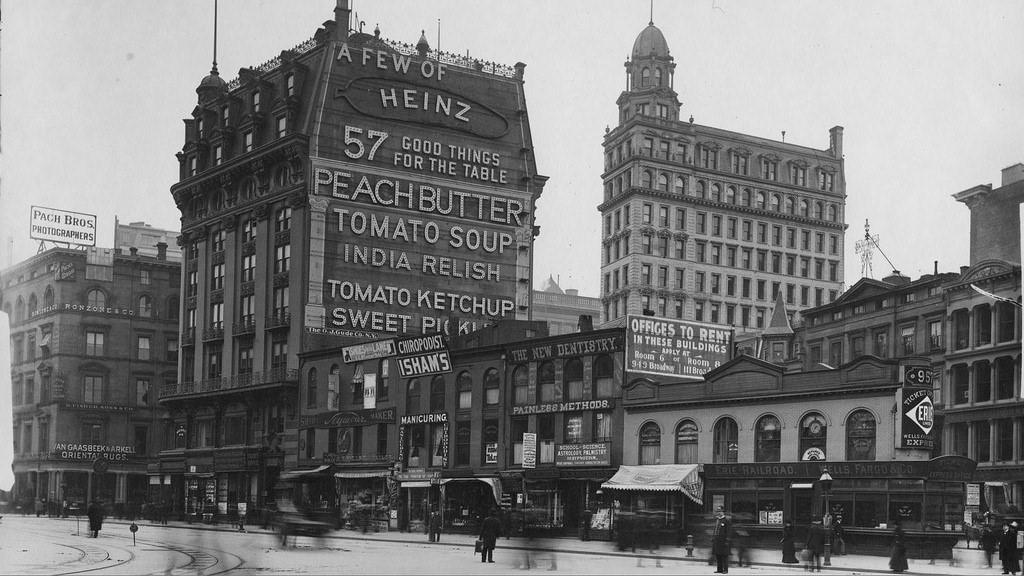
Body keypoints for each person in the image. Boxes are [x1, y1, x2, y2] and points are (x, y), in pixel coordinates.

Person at [711, 506, 732, 574]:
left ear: (723, 512)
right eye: (717, 511)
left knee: (724, 556)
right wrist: (713, 537)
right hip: (717, 540)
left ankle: (725, 570)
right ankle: (719, 569)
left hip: (723, 541)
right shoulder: (717, 520)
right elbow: (715, 530)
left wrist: (727, 540)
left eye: (719, 511)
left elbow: (729, 531)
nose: (718, 513)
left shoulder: (726, 520)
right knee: (718, 555)